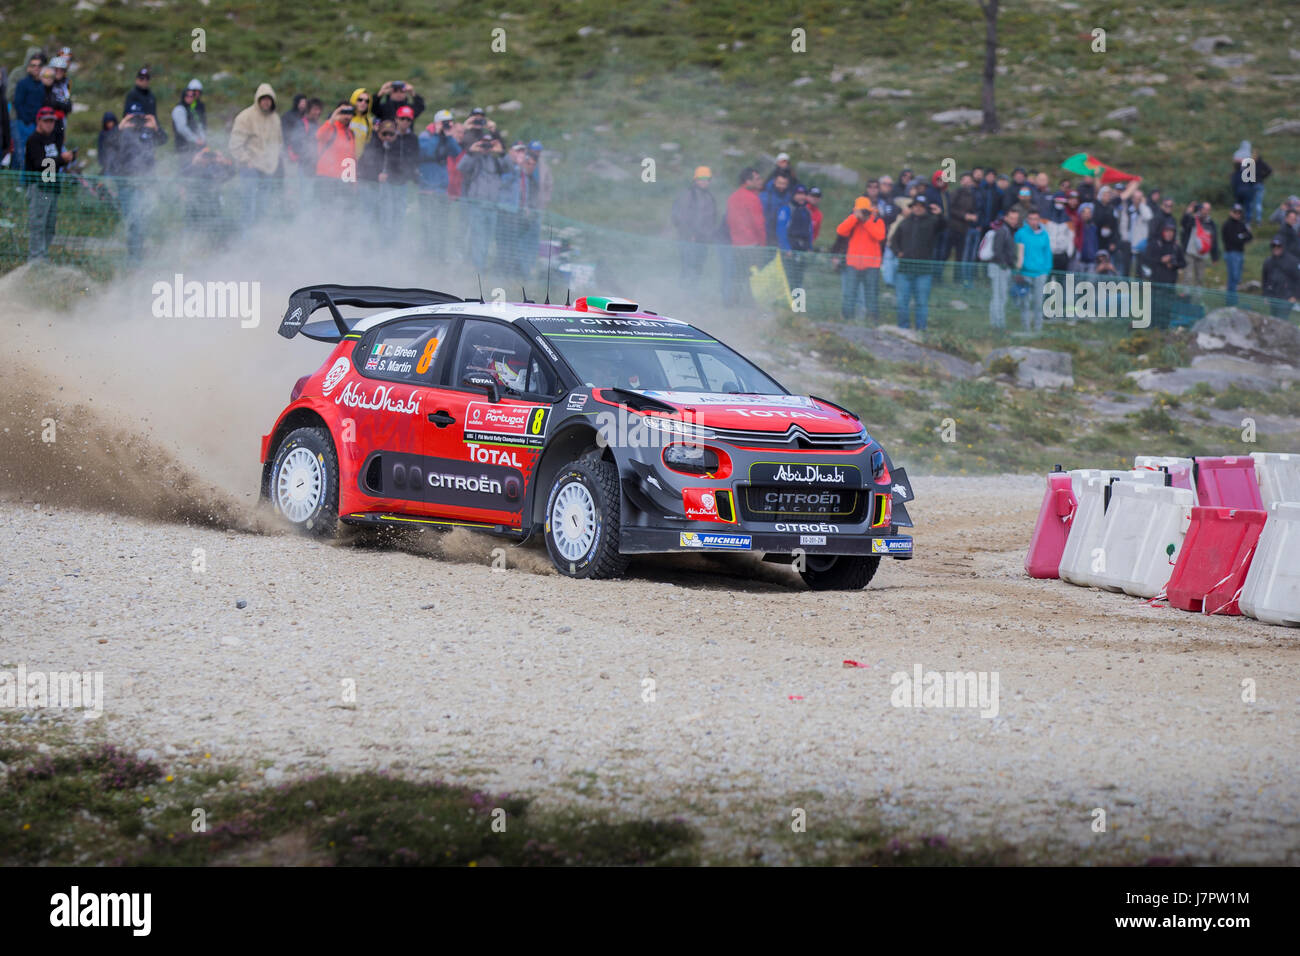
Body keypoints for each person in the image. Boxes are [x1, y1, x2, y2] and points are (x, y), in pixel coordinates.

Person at [108, 102, 167, 257]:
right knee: (133, 221)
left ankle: (139, 255)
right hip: (127, 183)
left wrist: (155, 126)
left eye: (139, 117)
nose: (136, 122)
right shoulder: (121, 133)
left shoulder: (148, 131)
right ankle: (134, 257)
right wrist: (121, 126)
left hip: (146, 182)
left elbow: (163, 140)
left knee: (143, 221)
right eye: (132, 118)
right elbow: (108, 142)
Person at [23, 107, 72, 260]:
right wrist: (61, 160)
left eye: (52, 121)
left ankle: (43, 255)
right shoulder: (34, 140)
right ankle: (35, 259)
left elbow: (53, 163)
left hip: (52, 186)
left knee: (50, 227)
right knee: (38, 225)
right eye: (46, 121)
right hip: (39, 187)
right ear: (39, 121)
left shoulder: (52, 138)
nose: (49, 125)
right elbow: (40, 163)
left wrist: (67, 160)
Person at [229, 82, 282, 224]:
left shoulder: (275, 119)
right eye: (263, 99)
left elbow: (278, 143)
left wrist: (276, 163)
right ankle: (246, 239)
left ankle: (261, 238)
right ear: (258, 99)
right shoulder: (245, 117)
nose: (266, 102)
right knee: (249, 205)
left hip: (268, 169)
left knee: (264, 206)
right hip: (250, 168)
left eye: (269, 99)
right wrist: (247, 161)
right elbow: (235, 144)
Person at [890, 197, 942, 332]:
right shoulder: (904, 223)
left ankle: (921, 330)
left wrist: (939, 214)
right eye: (915, 206)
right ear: (912, 208)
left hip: (924, 270)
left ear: (925, 208)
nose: (917, 208)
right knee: (902, 302)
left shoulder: (932, 222)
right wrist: (898, 252)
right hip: (904, 269)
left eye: (921, 206)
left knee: (922, 302)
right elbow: (893, 241)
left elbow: (944, 226)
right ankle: (903, 329)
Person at [458, 131, 508, 273]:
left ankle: (481, 263)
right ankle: (478, 266)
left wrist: (502, 152)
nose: (486, 146)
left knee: (487, 237)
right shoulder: (474, 158)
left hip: (492, 206)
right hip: (477, 205)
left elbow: (510, 168)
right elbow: (461, 167)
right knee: (477, 236)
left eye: (489, 143)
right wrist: (471, 152)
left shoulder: (497, 160)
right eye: (484, 143)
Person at [416, 109, 462, 257]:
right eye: (444, 123)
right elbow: (428, 152)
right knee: (427, 224)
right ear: (436, 123)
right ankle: (426, 254)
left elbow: (456, 153)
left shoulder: (447, 139)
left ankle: (439, 256)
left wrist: (448, 137)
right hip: (427, 189)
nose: (448, 125)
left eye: (450, 122)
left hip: (441, 191)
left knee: (441, 226)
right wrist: (437, 134)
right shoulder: (425, 136)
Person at [835, 196, 886, 322]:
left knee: (871, 295)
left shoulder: (877, 221)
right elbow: (841, 231)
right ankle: (847, 319)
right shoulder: (853, 221)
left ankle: (872, 321)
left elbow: (879, 236)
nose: (863, 214)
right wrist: (854, 217)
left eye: (865, 211)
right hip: (853, 263)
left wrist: (867, 220)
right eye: (861, 211)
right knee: (849, 293)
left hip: (872, 265)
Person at [723, 167, 766, 306]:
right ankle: (750, 303)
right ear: (748, 181)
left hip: (736, 244)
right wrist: (763, 243)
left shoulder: (733, 197)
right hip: (751, 244)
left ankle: (732, 303)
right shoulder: (752, 198)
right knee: (753, 276)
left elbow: (729, 220)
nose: (760, 181)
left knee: (737, 276)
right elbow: (758, 223)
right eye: (757, 179)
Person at [671, 166, 717, 281]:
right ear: (695, 180)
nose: (704, 181)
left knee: (698, 269)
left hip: (703, 241)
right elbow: (680, 217)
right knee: (688, 269)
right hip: (689, 240)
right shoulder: (688, 195)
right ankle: (683, 294)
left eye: (707, 179)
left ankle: (692, 294)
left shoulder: (709, 196)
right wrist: (689, 235)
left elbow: (711, 219)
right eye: (701, 178)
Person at [1141, 222, 1186, 328]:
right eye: (1167, 231)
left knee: (1167, 307)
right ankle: (1151, 327)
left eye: (1171, 232)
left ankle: (1163, 328)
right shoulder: (1155, 244)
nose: (1169, 234)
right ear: (1162, 232)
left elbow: (1183, 263)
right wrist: (1161, 260)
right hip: (1156, 282)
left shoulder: (1176, 247)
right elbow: (1146, 259)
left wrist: (1174, 265)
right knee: (1154, 306)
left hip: (1170, 283)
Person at [1014, 210, 1052, 333]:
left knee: (1038, 302)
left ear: (1039, 220)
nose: (1033, 221)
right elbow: (1016, 252)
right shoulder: (1020, 233)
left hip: (1040, 273)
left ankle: (1038, 329)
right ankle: (1026, 328)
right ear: (1027, 220)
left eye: (1035, 219)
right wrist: (1017, 271)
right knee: (1024, 302)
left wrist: (1046, 270)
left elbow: (1047, 253)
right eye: (1031, 218)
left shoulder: (1044, 235)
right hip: (1024, 273)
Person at [776, 184, 814, 293]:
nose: (801, 197)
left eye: (804, 194)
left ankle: (797, 305)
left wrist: (809, 247)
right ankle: (786, 303)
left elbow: (809, 231)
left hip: (802, 251)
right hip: (789, 251)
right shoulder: (786, 209)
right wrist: (786, 248)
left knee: (799, 280)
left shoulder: (806, 212)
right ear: (793, 195)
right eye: (799, 194)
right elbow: (781, 231)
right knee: (788, 279)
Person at [986, 208, 1020, 331]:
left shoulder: (1010, 231)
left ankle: (998, 322)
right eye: (1011, 218)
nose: (1014, 221)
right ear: (1006, 218)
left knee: (1001, 296)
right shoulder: (1002, 231)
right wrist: (1006, 264)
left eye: (1016, 219)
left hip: (1004, 268)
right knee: (999, 297)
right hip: (999, 268)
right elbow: (997, 251)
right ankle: (997, 324)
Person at [10, 54, 45, 164]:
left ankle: (34, 180)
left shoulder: (43, 84)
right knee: (23, 153)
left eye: (39, 66)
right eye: (33, 65)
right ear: (29, 67)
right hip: (25, 124)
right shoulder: (23, 83)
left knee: (38, 153)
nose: (36, 68)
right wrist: (26, 120)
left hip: (39, 124)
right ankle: (22, 180)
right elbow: (17, 103)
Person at [1180, 202, 1219, 288]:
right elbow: (1183, 224)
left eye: (1208, 209)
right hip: (1190, 252)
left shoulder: (1211, 223)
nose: (1205, 211)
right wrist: (1188, 212)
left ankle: (1197, 299)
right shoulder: (1193, 219)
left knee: (1200, 278)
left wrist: (1215, 257)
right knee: (1188, 277)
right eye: (1204, 208)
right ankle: (1186, 297)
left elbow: (1214, 240)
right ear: (1200, 209)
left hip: (1202, 254)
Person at [1261, 237, 1300, 320]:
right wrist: (1265, 295)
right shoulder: (1268, 261)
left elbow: (1298, 279)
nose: (1276, 248)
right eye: (1274, 246)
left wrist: (1295, 296)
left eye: (1278, 246)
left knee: (1283, 321)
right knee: (1273, 319)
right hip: (1272, 297)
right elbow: (1265, 280)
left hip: (1286, 298)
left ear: (1283, 247)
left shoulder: (1292, 261)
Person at [1221, 204, 1252, 306]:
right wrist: (1241, 237)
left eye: (1239, 212)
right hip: (1231, 253)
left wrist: (1241, 237)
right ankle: (1231, 302)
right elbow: (1232, 240)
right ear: (1231, 212)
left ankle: (1233, 300)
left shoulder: (1241, 224)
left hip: (1240, 253)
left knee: (1238, 277)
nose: (1237, 214)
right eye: (1235, 212)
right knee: (1233, 277)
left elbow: (1249, 236)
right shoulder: (1227, 224)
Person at [171, 79, 207, 157]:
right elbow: (182, 128)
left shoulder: (192, 109)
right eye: (187, 96)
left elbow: (198, 124)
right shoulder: (180, 109)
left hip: (193, 147)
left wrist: (202, 138)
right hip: (183, 147)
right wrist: (196, 140)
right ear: (183, 96)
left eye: (192, 96)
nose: (190, 98)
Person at [760, 170, 795, 245]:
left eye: (784, 184)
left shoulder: (788, 196)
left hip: (782, 235)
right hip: (767, 234)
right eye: (780, 183)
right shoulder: (765, 196)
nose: (782, 186)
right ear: (774, 182)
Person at [347, 88, 374, 157]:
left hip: (357, 162)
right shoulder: (346, 116)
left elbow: (367, 142)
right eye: (360, 100)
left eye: (367, 101)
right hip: (341, 158)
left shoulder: (368, 121)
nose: (363, 103)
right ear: (354, 100)